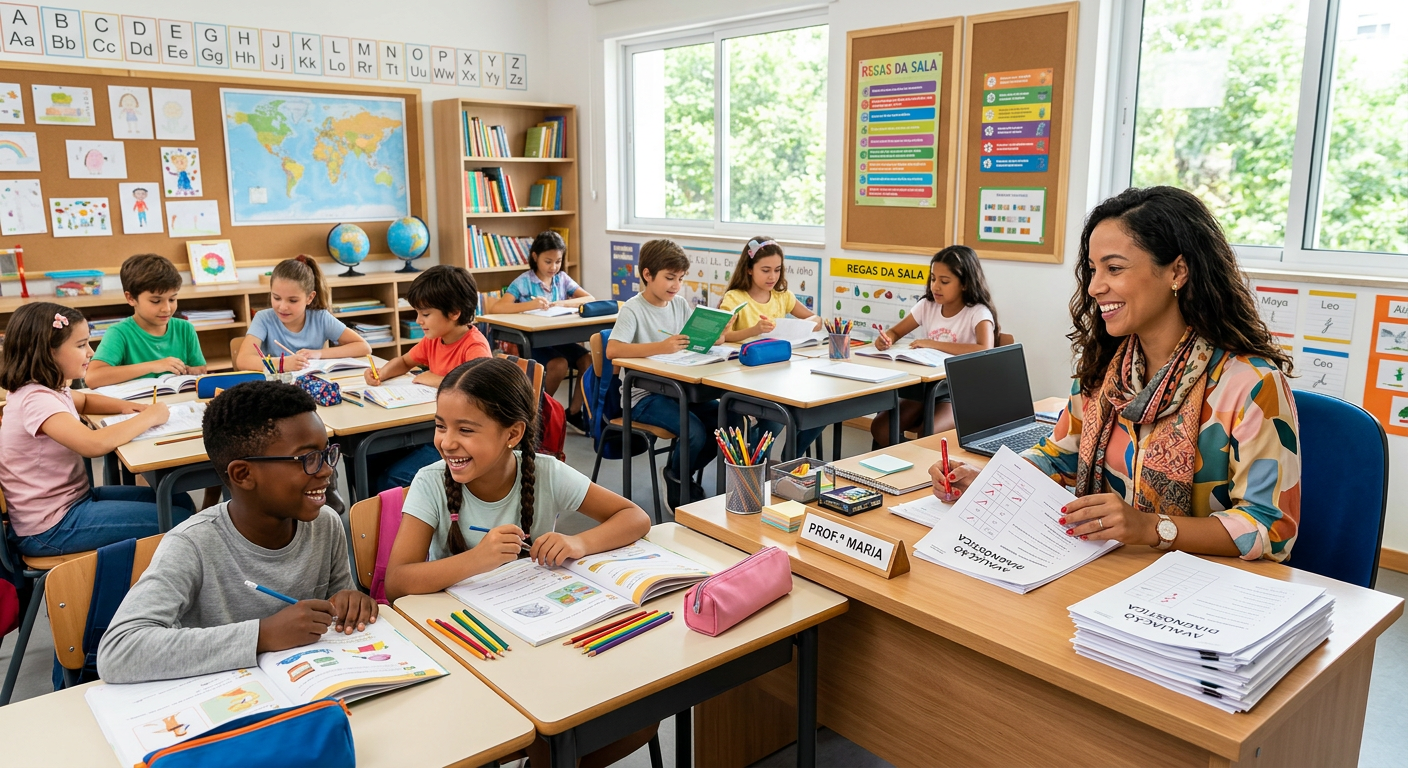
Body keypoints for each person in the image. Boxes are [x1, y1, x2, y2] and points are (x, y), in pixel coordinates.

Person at [935, 186, 1300, 562]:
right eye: (1093, 270)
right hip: (1104, 570)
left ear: (1177, 271)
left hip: (1200, 590)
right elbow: (1060, 457)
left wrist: (1150, 528)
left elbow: (1270, 529)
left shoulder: (1250, 384)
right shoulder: (1104, 372)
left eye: (1114, 268)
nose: (1094, 287)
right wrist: (992, 481)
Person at [97, 381, 377, 684]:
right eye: (307, 459)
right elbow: (118, 651)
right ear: (243, 474)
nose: (326, 470)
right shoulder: (192, 544)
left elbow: (336, 602)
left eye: (326, 453)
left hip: (305, 685)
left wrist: (349, 601)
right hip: (222, 697)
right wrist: (262, 635)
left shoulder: (325, 524)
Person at [384, 358, 650, 599]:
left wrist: (578, 542)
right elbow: (396, 582)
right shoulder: (430, 483)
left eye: (465, 429)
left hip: (532, 610)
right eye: (441, 426)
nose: (447, 442)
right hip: (458, 622)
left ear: (513, 434)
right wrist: (477, 559)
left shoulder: (547, 472)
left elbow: (635, 517)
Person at [0, 302, 195, 557]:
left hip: (72, 502)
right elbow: (92, 445)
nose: (90, 353)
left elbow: (86, 400)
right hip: (50, 527)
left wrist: (132, 407)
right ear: (48, 351)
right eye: (81, 345)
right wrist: (149, 417)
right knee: (179, 518)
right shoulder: (36, 400)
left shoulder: (49, 389)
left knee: (179, 500)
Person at [606, 239, 720, 507]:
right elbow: (612, 350)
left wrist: (712, 339)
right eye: (670, 278)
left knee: (725, 420)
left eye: (680, 278)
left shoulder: (679, 305)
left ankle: (678, 471)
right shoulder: (633, 308)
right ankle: (678, 479)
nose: (676, 285)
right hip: (642, 397)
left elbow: (689, 342)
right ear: (647, 274)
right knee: (694, 432)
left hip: (678, 389)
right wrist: (662, 347)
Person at [368, 264, 492, 492]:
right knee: (371, 460)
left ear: (454, 312)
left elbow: (477, 392)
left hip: (458, 438)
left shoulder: (475, 347)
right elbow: (405, 362)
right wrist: (381, 373)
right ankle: (374, 521)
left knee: (393, 478)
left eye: (425, 314)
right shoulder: (434, 339)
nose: (418, 321)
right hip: (430, 427)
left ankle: (413, 523)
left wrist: (437, 379)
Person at [871, 246, 999, 446]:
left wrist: (932, 344)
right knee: (881, 428)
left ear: (965, 284)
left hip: (958, 393)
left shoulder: (978, 312)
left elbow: (985, 349)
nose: (935, 286)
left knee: (928, 436)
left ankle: (918, 466)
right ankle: (904, 464)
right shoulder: (927, 306)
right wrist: (886, 338)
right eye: (933, 279)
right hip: (923, 389)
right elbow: (895, 332)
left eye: (944, 281)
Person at [718, 237, 825, 456]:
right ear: (749, 269)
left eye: (777, 270)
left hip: (778, 371)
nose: (772, 276)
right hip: (746, 374)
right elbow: (723, 336)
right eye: (765, 270)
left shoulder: (782, 295)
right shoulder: (735, 297)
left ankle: (790, 458)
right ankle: (760, 464)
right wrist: (754, 330)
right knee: (776, 418)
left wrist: (806, 324)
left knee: (820, 406)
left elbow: (816, 319)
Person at [486, 230, 594, 433]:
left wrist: (562, 302)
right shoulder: (523, 281)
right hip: (532, 341)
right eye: (548, 261)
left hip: (558, 338)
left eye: (558, 261)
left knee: (587, 360)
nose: (553, 267)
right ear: (535, 257)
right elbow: (497, 308)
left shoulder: (562, 279)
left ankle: (573, 412)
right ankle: (539, 414)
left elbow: (589, 299)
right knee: (559, 364)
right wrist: (529, 305)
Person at [85, 254, 208, 388]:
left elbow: (200, 371)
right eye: (156, 301)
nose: (166, 309)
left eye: (172, 299)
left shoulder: (185, 329)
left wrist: (192, 371)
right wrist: (153, 366)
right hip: (137, 406)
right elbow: (93, 377)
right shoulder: (119, 333)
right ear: (131, 298)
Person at [235, 255, 371, 373]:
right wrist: (283, 364)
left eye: (292, 300)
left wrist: (318, 354)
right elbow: (243, 360)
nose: (282, 307)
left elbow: (364, 347)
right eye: (276, 298)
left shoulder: (321, 318)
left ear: (309, 298)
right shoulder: (263, 319)